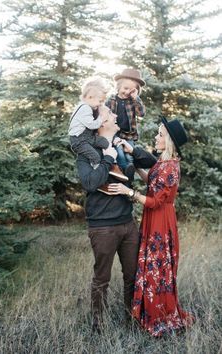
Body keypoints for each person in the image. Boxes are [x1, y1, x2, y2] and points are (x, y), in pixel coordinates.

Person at [107, 116, 195, 337]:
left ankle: (160, 315)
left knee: (158, 270)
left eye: (160, 134)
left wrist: (128, 192)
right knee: (152, 267)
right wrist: (136, 165)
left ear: (170, 142)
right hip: (153, 219)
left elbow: (157, 201)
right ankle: (149, 311)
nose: (156, 137)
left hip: (161, 222)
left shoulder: (172, 167)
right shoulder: (162, 163)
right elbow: (153, 183)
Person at [76, 105, 157, 334]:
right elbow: (90, 183)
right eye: (110, 114)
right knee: (102, 278)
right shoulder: (86, 151)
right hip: (103, 226)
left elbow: (150, 162)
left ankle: (130, 318)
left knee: (132, 275)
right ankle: (98, 326)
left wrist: (132, 149)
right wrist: (107, 158)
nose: (115, 115)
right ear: (100, 123)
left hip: (128, 224)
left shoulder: (121, 144)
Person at [68, 77, 127, 181]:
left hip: (87, 137)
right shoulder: (84, 108)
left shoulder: (86, 107)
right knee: (95, 156)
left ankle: (113, 165)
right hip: (79, 141)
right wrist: (101, 119)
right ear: (90, 97)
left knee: (104, 142)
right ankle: (98, 173)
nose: (101, 104)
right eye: (100, 101)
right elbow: (92, 125)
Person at [106, 68, 146, 180]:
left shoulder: (133, 101)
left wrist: (136, 98)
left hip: (129, 135)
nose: (127, 92)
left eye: (131, 90)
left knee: (129, 156)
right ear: (119, 86)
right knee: (120, 154)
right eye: (125, 88)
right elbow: (104, 114)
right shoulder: (111, 100)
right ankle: (123, 174)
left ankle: (129, 175)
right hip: (116, 134)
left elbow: (141, 113)